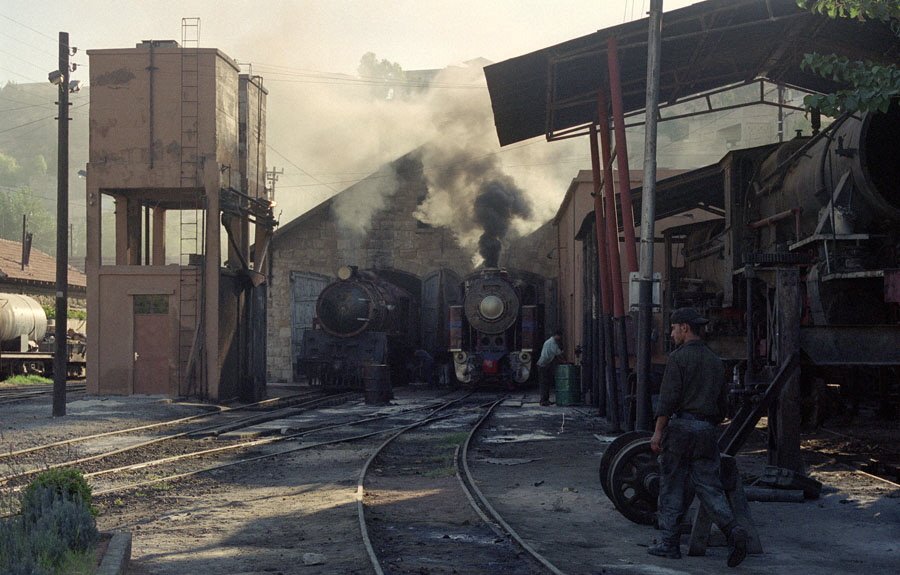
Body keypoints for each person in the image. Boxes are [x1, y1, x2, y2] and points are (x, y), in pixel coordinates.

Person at [648, 307, 748, 568]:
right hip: (706, 431)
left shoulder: (679, 359)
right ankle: (733, 530)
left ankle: (669, 544)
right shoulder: (715, 361)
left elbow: (667, 401)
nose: (671, 333)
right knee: (708, 486)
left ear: (685, 328)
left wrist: (658, 432)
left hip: (680, 430)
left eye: (673, 328)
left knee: (672, 485)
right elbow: (723, 405)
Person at [536, 331, 564, 406]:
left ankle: (545, 400)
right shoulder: (553, 342)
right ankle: (543, 400)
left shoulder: (549, 341)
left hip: (543, 364)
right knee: (544, 383)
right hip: (543, 364)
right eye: (559, 336)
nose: (560, 338)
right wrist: (564, 360)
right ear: (556, 335)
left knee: (545, 382)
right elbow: (558, 353)